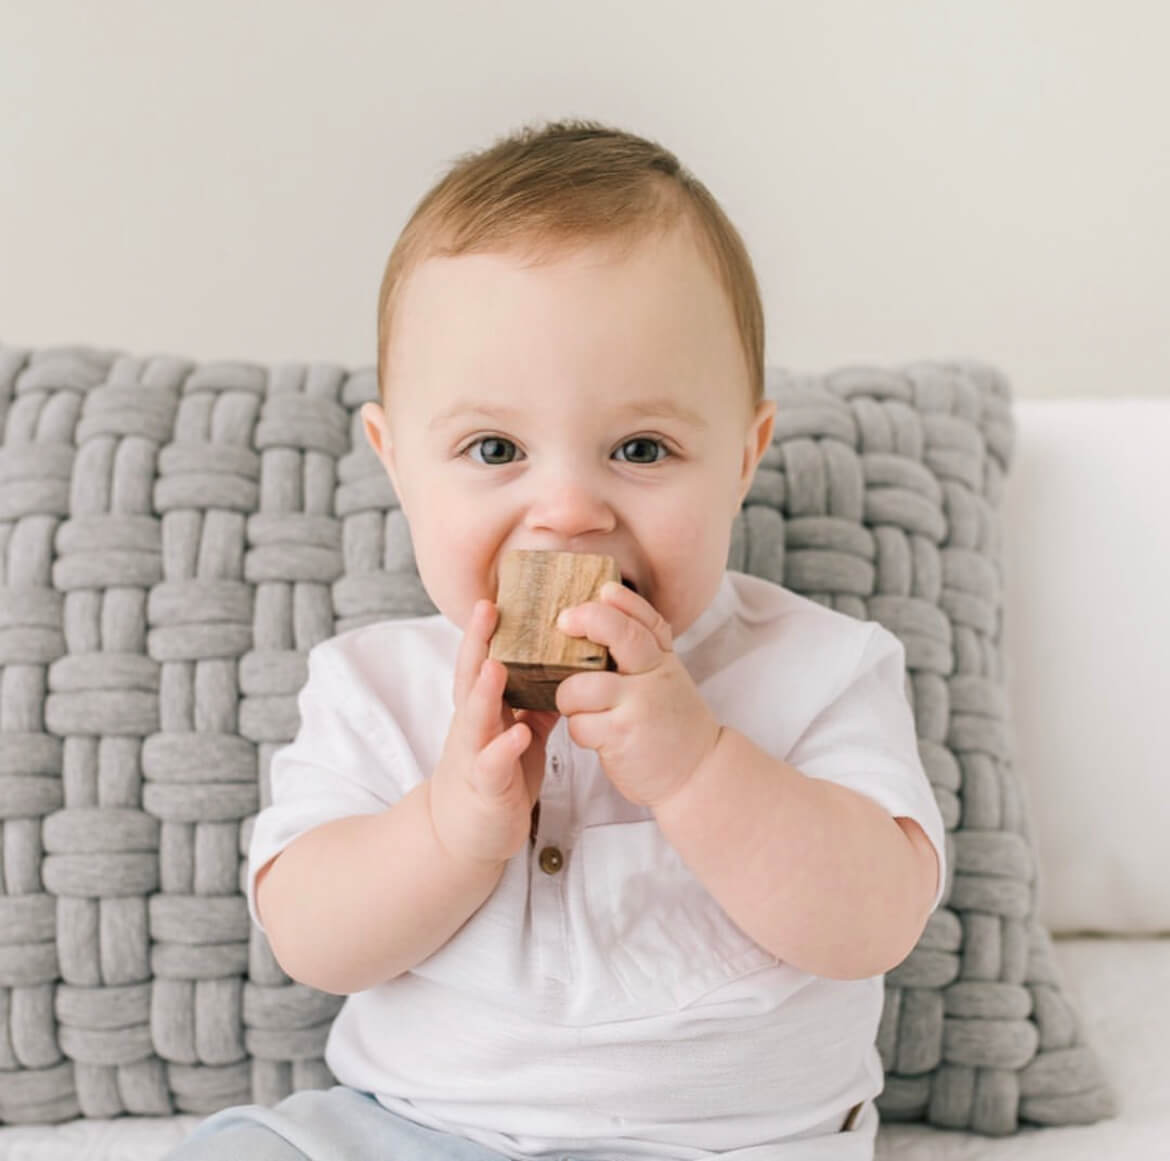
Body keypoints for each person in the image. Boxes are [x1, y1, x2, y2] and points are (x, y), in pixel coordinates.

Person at [167, 117, 945, 1161]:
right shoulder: (374, 685)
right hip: (416, 1130)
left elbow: (874, 922)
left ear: (744, 459)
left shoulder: (822, 667)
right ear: (396, 464)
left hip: (736, 1145)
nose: (570, 510)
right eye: (495, 448)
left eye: (641, 447)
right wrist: (450, 827)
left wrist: (700, 767)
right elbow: (312, 938)